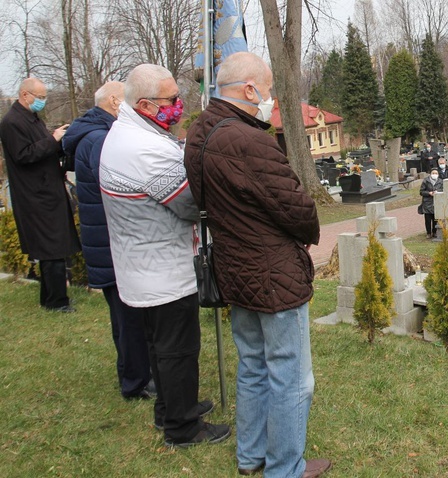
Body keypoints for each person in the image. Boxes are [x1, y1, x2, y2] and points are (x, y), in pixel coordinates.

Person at [184, 52, 330, 478]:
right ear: (249, 89)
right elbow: (297, 208)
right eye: (267, 90)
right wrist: (309, 226)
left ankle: (251, 456)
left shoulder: (199, 132)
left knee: (252, 364)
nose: (270, 99)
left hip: (233, 268)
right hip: (271, 272)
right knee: (291, 376)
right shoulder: (250, 141)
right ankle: (284, 468)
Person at [99, 64, 229, 448]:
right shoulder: (146, 149)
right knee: (178, 349)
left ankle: (171, 407)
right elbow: (188, 205)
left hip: (141, 264)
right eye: (171, 100)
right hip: (163, 270)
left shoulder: (128, 131)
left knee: (160, 346)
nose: (179, 104)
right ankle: (182, 426)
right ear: (144, 104)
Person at [62, 81, 155, 400]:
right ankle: (136, 381)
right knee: (128, 317)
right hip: (112, 240)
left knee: (125, 315)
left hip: (107, 238)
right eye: (127, 100)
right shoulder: (100, 139)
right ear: (115, 102)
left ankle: (135, 373)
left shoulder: (92, 134)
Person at [0, 77, 80, 312]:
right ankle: (57, 302)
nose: (43, 101)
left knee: (52, 249)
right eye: (40, 97)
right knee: (51, 247)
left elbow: (41, 148)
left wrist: (56, 141)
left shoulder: (30, 118)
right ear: (25, 95)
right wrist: (52, 139)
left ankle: (51, 298)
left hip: (47, 189)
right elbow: (23, 155)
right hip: (35, 195)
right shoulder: (11, 122)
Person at [420, 167, 443, 238]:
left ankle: (434, 232)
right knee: (427, 219)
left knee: (435, 219)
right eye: (433, 173)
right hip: (427, 203)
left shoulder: (440, 181)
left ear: (438, 174)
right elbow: (421, 192)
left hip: (436, 202)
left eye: (436, 173)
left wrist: (438, 192)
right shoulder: (425, 181)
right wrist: (429, 193)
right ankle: (428, 233)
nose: (434, 174)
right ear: (430, 174)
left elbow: (443, 190)